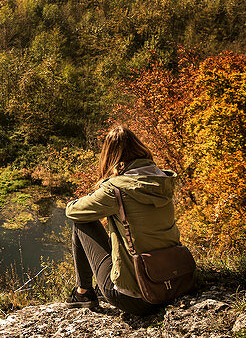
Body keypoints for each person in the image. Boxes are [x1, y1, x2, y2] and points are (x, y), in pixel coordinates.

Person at [65, 125, 181, 315]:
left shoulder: (116, 189)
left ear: (111, 157)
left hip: (137, 298)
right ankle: (84, 293)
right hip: (174, 282)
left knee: (82, 221)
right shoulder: (163, 180)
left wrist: (94, 194)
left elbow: (73, 211)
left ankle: (83, 293)